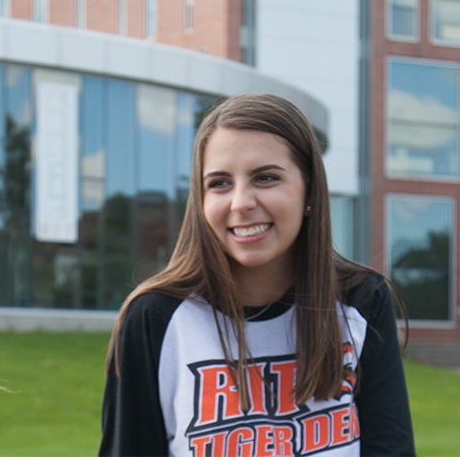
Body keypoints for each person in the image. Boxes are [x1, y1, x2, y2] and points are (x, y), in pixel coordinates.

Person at [99, 94, 415, 456]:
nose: (241, 202)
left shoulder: (361, 299)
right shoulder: (153, 317)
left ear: (309, 190)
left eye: (265, 178)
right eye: (219, 183)